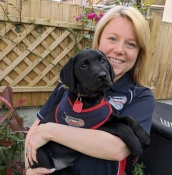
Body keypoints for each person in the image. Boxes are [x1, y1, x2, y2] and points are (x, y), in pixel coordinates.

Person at [25, 5, 155, 175]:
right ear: (99, 40)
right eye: (112, 39)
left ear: (139, 52)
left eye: (131, 44)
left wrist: (50, 131)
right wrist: (28, 170)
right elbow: (34, 135)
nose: (119, 50)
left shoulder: (140, 95)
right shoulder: (67, 87)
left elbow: (116, 149)